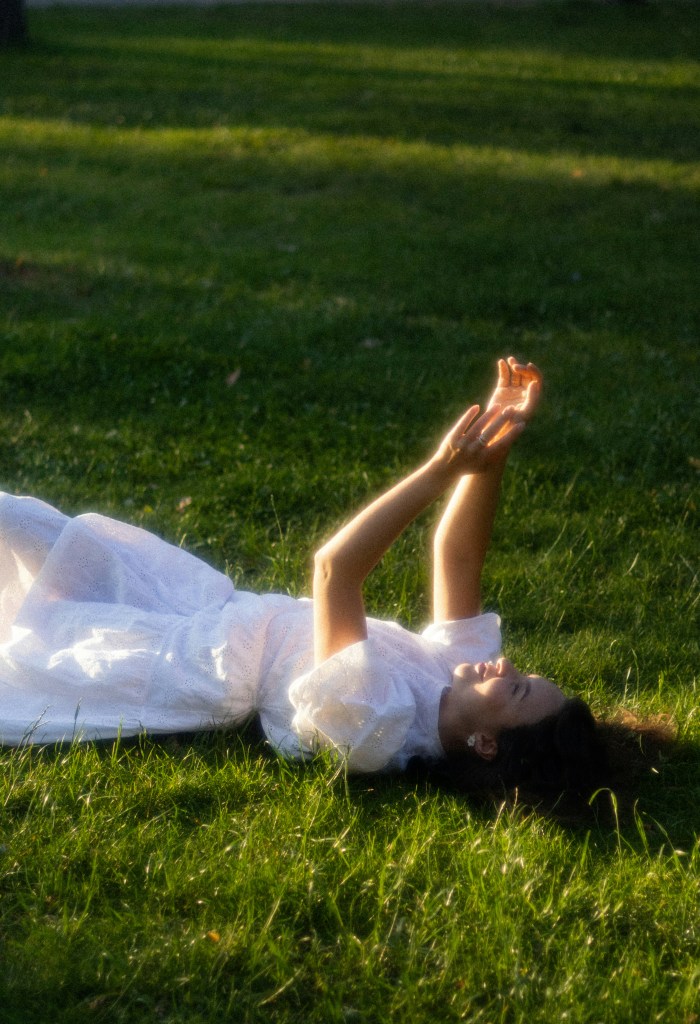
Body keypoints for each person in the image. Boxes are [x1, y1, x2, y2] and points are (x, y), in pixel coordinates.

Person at [0, 357, 607, 803]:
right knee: (34, 529)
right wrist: (491, 451)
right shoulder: (452, 678)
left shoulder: (375, 725)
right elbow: (456, 557)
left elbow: (334, 570)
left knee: (40, 627)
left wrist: (440, 470)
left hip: (195, 662)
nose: (507, 667)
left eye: (519, 690)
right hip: (219, 608)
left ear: (485, 745)